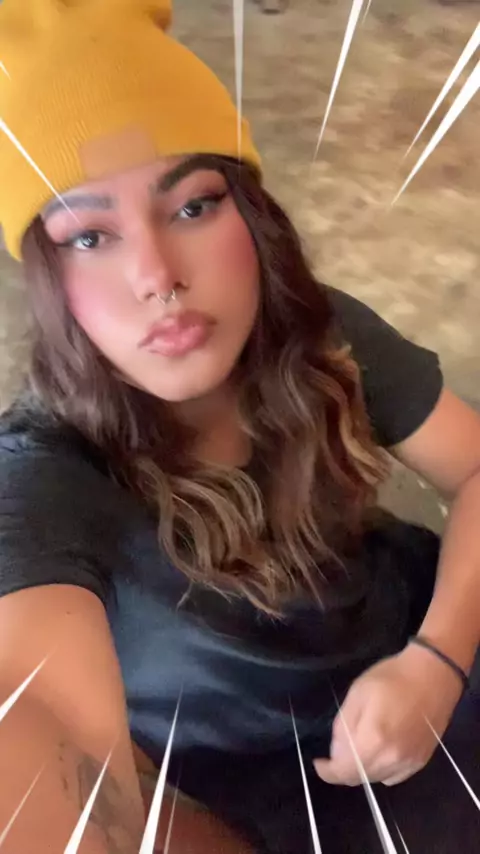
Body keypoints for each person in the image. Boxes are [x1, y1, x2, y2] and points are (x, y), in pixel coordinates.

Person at [0, 2, 479, 852]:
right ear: (44, 276)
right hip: (261, 798)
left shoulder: (321, 334)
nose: (157, 276)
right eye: (90, 236)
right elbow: (47, 748)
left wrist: (438, 660)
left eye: (193, 206)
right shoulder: (41, 478)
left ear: (253, 215)